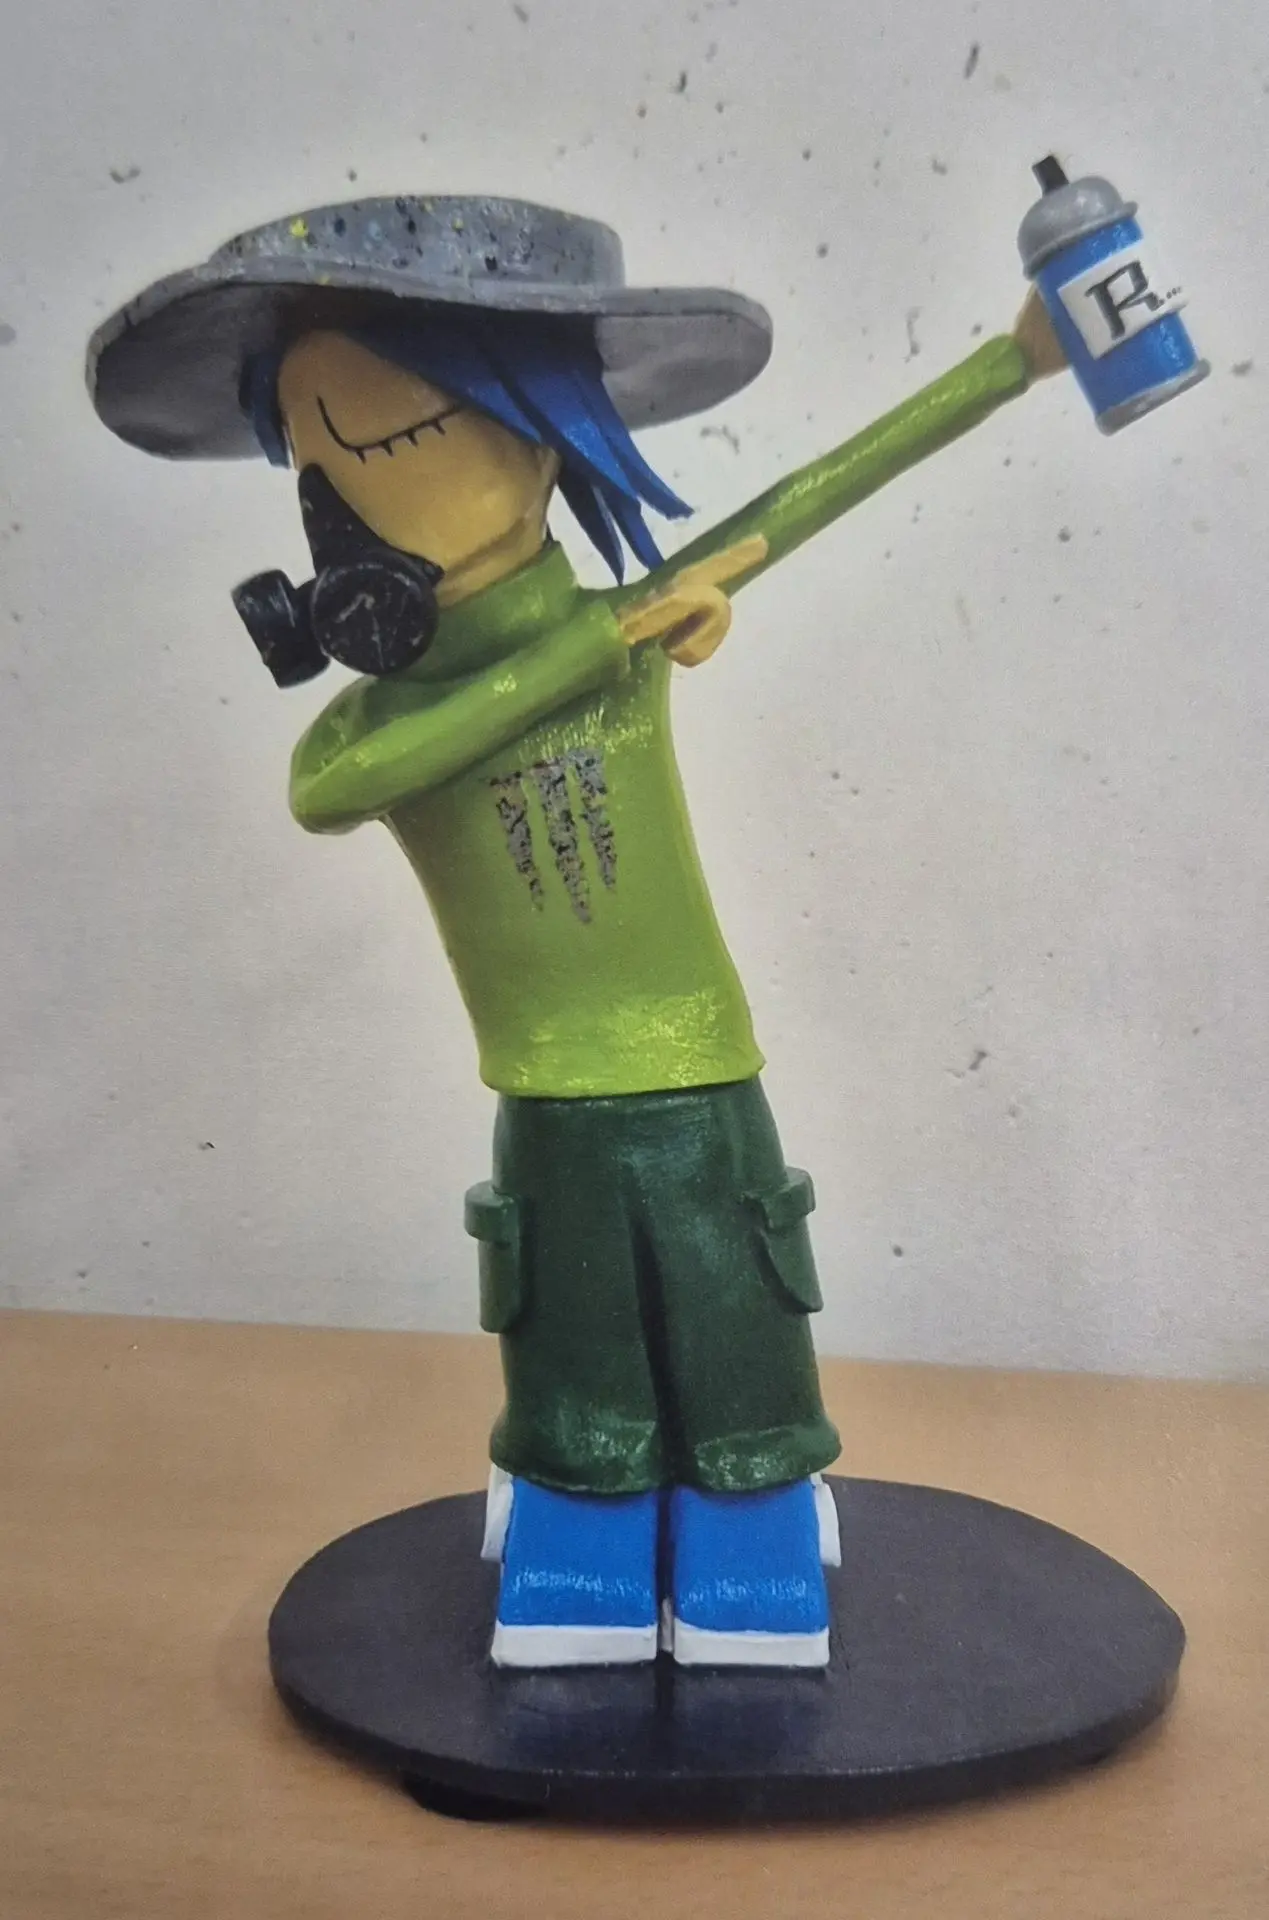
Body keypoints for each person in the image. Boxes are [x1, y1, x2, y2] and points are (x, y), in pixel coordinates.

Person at [89, 194, 1066, 1669]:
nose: (345, 511)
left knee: (737, 1305)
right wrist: (577, 656)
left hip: (699, 1071)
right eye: (315, 462)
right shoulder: (396, 716)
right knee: (570, 1329)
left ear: (537, 442)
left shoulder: (630, 632)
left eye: (399, 442)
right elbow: (327, 788)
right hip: (545, 1092)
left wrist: (1016, 360)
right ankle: (581, 1510)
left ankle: (753, 1507)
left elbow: (811, 495)